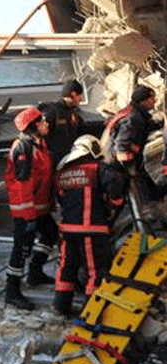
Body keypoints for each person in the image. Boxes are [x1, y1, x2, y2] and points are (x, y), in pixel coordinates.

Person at [53, 135, 126, 317]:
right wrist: (114, 204)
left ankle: (61, 306)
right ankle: (91, 312)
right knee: (95, 271)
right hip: (92, 230)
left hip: (67, 230)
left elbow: (61, 199)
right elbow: (115, 188)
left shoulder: (63, 173)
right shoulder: (98, 169)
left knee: (67, 268)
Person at [4, 106, 57, 310]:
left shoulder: (39, 144)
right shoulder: (23, 148)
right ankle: (12, 291)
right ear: (33, 126)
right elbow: (21, 184)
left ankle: (35, 273)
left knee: (50, 233)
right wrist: (28, 215)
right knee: (21, 249)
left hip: (39, 207)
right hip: (25, 209)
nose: (46, 124)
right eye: (42, 121)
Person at [103, 85, 160, 213]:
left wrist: (159, 123)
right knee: (137, 190)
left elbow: (142, 127)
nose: (155, 101)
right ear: (143, 101)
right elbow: (122, 144)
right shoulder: (134, 117)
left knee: (147, 188)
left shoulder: (134, 112)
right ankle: (145, 217)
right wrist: (130, 166)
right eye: (152, 98)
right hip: (117, 163)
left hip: (120, 159)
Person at [38, 79, 85, 166]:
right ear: (73, 94)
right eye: (80, 95)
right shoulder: (52, 112)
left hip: (69, 159)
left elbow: (83, 129)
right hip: (54, 161)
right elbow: (40, 135)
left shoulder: (73, 112)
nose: (81, 99)